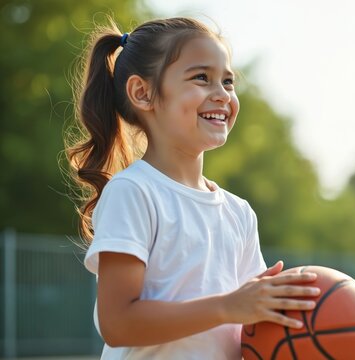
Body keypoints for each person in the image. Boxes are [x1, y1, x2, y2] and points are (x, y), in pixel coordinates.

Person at [65, 16, 320, 359]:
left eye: (228, 82)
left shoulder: (239, 213)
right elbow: (118, 322)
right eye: (201, 78)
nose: (222, 95)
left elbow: (254, 330)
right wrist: (228, 306)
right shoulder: (134, 192)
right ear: (143, 93)